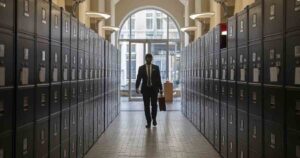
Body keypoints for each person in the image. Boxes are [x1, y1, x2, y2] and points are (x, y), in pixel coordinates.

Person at [136, 53, 163, 128]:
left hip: (154, 89)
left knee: (154, 105)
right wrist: (137, 87)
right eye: (147, 58)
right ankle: (148, 121)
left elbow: (158, 79)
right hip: (145, 90)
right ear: (145, 59)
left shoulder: (156, 68)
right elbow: (138, 78)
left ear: (152, 59)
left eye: (150, 58)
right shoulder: (141, 68)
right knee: (146, 106)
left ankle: (154, 118)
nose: (149, 59)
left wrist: (161, 88)